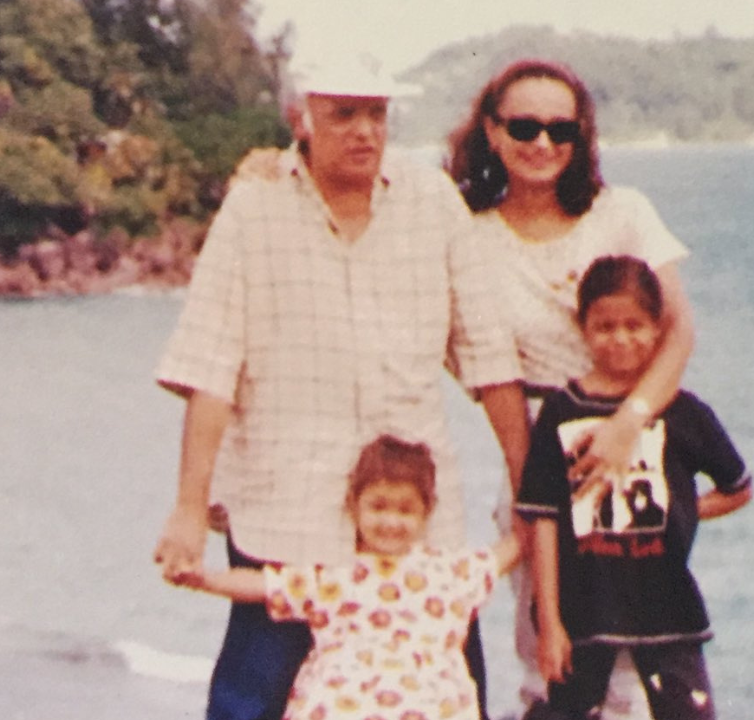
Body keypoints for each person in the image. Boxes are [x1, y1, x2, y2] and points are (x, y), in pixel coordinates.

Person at [153, 59, 529, 720]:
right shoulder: (255, 206)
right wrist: (188, 508)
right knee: (252, 699)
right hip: (285, 509)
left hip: (411, 514)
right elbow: (211, 367)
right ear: (303, 117)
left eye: (376, 115)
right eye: (343, 114)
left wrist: (530, 486)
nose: (363, 132)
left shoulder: (431, 202)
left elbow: (488, 356)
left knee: (441, 695)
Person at [444, 59, 697, 714]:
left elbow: (678, 333)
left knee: (647, 660)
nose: (542, 144)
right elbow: (490, 372)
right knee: (553, 659)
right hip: (537, 454)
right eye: (524, 126)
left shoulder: (624, 213)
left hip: (635, 452)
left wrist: (628, 422)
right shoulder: (469, 238)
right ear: (491, 133)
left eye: (561, 129)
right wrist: (541, 494)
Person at [515, 256, 753, 720]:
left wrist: (679, 508)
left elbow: (738, 487)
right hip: (583, 609)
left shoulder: (683, 413)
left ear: (658, 327)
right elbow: (543, 518)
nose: (620, 338)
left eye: (634, 325)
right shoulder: (562, 411)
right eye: (604, 326)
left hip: (666, 606)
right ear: (581, 325)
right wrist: (549, 621)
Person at [180, 435, 524, 720]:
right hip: (344, 703)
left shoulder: (451, 571)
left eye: (405, 510)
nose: (390, 521)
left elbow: (513, 547)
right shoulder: (334, 572)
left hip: (430, 704)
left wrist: (549, 497)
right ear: (354, 505)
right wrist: (204, 579)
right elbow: (263, 586)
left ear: (427, 511)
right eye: (378, 506)